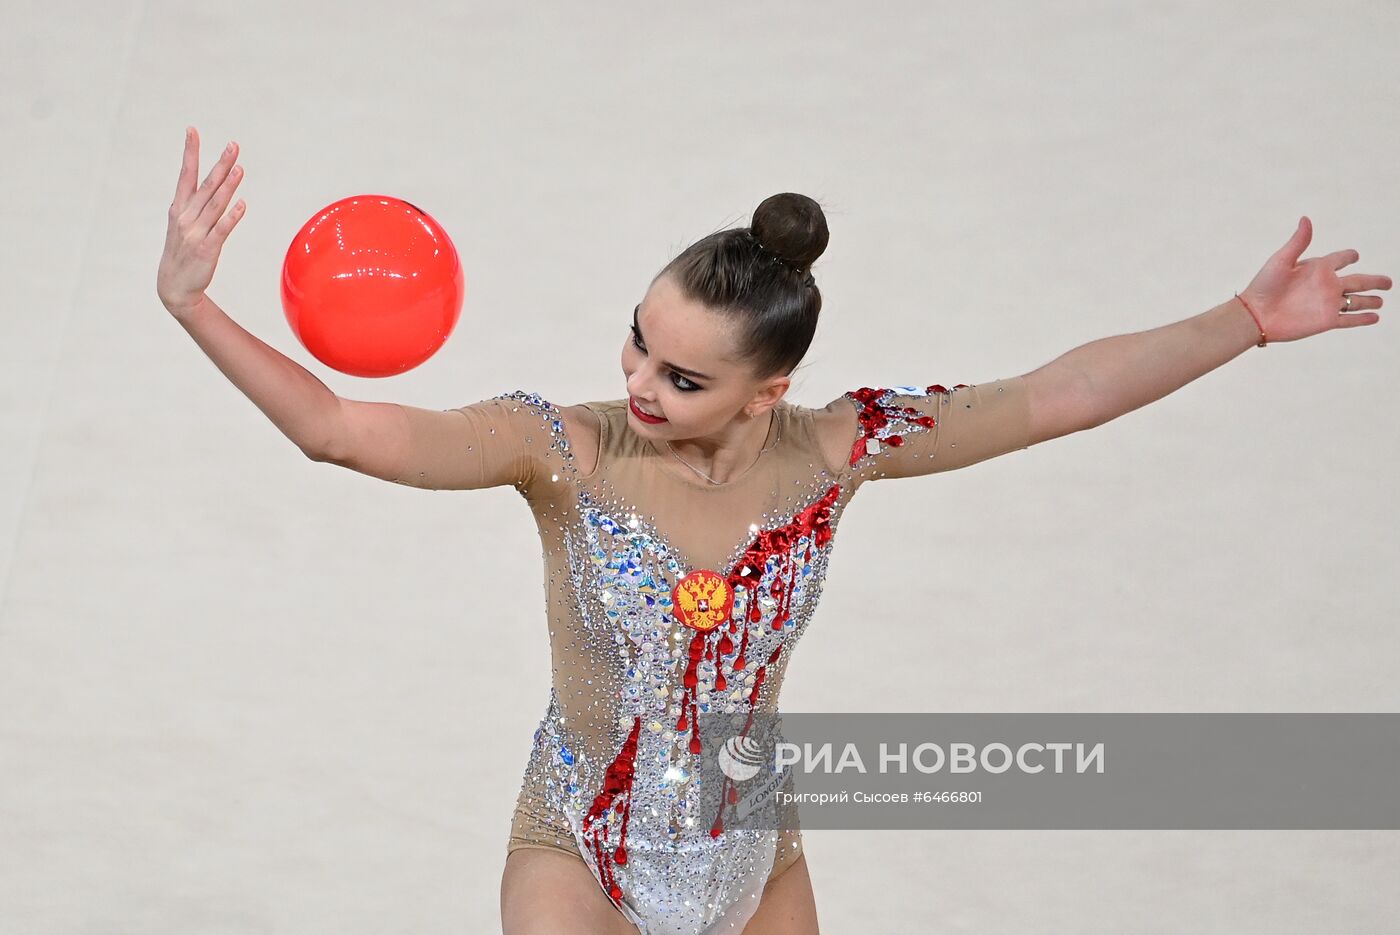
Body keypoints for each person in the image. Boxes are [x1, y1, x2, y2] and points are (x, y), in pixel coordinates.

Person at [158, 127, 1387, 935]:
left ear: (766, 391)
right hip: (577, 842)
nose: (639, 381)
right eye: (636, 337)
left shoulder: (838, 446)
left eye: (682, 378)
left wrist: (1244, 317)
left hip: (751, 845)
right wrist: (192, 301)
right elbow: (335, 426)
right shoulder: (561, 446)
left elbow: (1053, 395)